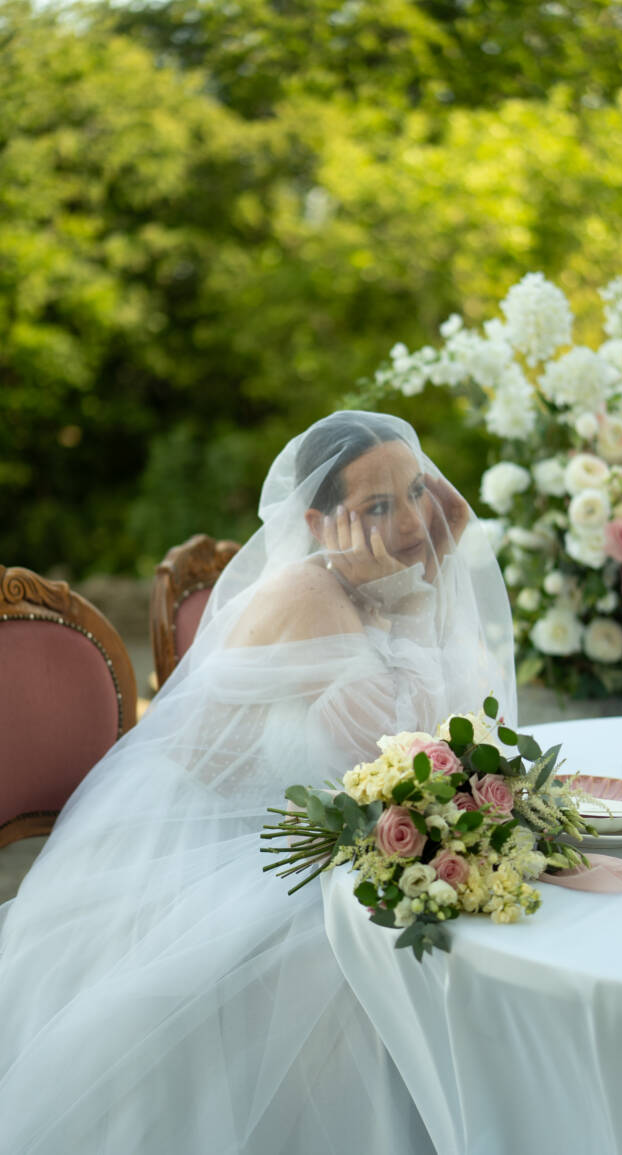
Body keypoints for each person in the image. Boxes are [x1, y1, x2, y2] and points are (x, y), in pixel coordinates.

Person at [0, 411, 516, 1154]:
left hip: (308, 829)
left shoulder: (379, 583)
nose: (410, 523)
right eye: (377, 508)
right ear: (318, 521)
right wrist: (418, 591)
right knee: (358, 965)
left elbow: (445, 743)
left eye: (415, 493)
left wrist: (423, 577)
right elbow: (403, 754)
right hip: (227, 844)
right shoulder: (311, 597)